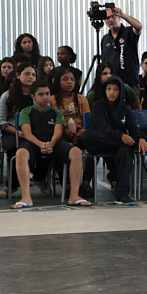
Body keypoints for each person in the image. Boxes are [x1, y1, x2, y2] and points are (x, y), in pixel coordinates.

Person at [13, 81, 91, 208]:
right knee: (20, 153)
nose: (45, 97)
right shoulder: (26, 112)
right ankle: (26, 197)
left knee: (76, 151)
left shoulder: (56, 112)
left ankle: (74, 196)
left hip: (55, 142)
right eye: (41, 94)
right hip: (34, 142)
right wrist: (41, 145)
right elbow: (27, 134)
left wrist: (50, 144)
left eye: (47, 94)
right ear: (33, 96)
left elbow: (58, 131)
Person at [82, 75, 147, 204]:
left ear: (121, 92)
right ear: (105, 90)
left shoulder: (125, 109)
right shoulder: (98, 106)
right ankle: (130, 144)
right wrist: (121, 137)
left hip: (117, 145)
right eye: (109, 89)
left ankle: (122, 195)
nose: (112, 92)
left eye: (115, 89)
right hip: (101, 141)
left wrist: (141, 138)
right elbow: (102, 128)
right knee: (87, 135)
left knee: (126, 150)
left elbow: (133, 128)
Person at [0, 62, 37, 199]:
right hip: (12, 132)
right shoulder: (7, 96)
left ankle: (38, 176)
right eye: (27, 74)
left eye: (33, 74)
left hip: (34, 133)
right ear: (18, 75)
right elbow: (1, 122)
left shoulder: (38, 95)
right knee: (15, 147)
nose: (31, 77)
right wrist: (18, 132)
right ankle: (11, 185)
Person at [50, 66, 92, 197]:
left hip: (80, 131)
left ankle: (85, 183)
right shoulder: (52, 100)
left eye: (72, 80)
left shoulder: (81, 98)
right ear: (57, 81)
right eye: (65, 79)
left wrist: (84, 130)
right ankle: (67, 185)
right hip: (61, 131)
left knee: (93, 145)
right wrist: (64, 131)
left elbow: (88, 119)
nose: (70, 82)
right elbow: (53, 120)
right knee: (59, 147)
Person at [99, 6, 144, 93]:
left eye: (113, 16)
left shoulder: (129, 32)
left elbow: (139, 26)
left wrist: (123, 15)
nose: (111, 20)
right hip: (112, 84)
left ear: (119, 17)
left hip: (130, 83)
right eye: (107, 18)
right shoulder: (105, 39)